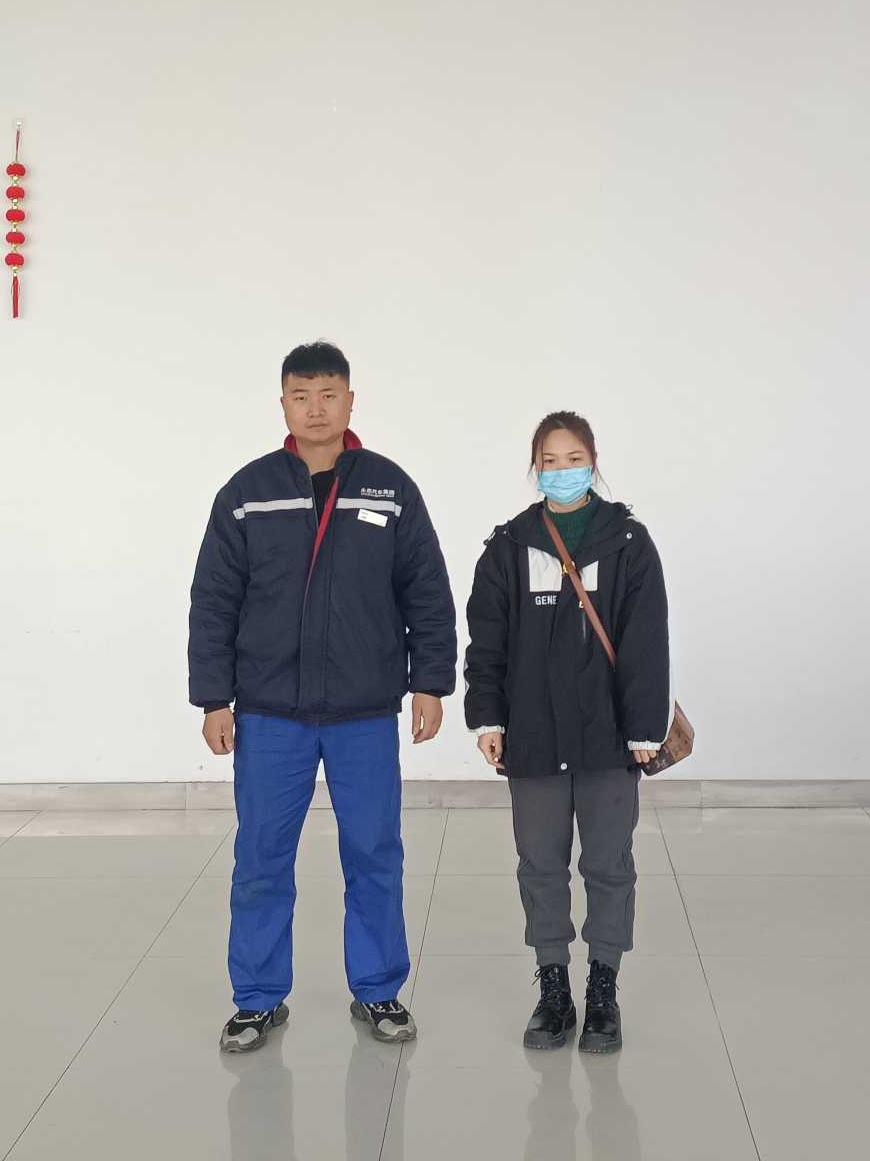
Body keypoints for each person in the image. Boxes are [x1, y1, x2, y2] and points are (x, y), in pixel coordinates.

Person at [188, 341, 457, 1054]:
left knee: (374, 851)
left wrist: (430, 682)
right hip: (269, 711)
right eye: (302, 396)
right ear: (283, 404)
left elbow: (427, 591)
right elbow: (213, 602)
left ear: (350, 402)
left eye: (329, 394)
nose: (316, 409)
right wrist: (214, 699)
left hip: (363, 710)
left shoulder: (389, 489)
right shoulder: (247, 492)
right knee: (262, 856)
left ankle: (378, 989)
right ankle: (257, 999)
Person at [463, 411, 671, 1054]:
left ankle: (603, 987)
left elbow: (646, 638)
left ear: (593, 462)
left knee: (608, 863)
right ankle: (553, 986)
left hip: (610, 736)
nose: (561, 471)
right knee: (541, 864)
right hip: (533, 734)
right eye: (549, 461)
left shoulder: (628, 542)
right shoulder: (509, 544)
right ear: (535, 468)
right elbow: (487, 639)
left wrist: (645, 726)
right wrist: (488, 716)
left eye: (573, 458)